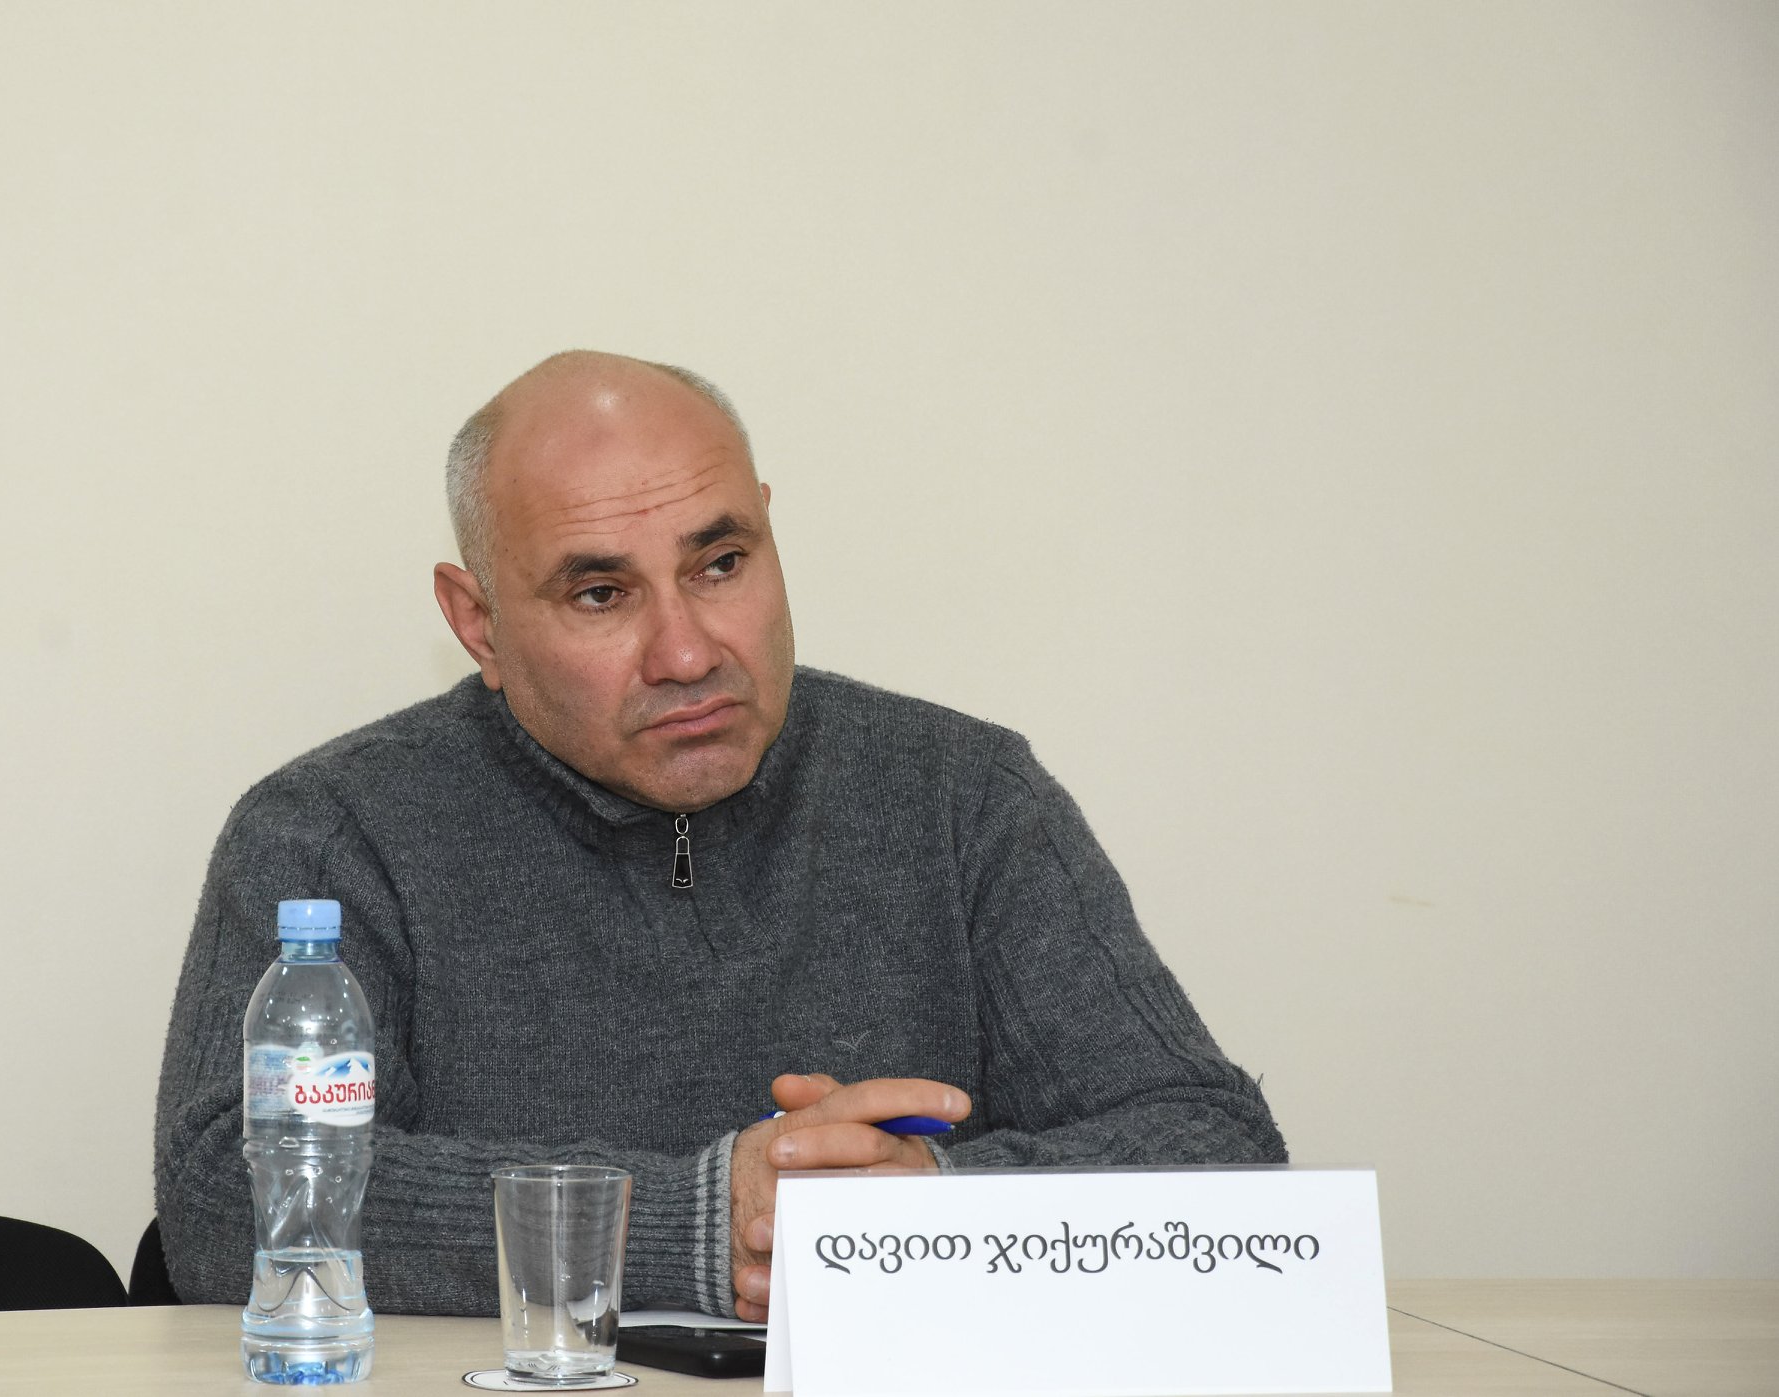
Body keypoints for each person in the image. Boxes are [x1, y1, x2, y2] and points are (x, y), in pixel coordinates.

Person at [154, 350, 1286, 1322]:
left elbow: (1218, 1144)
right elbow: (222, 1196)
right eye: (602, 594)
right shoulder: (333, 831)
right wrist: (699, 1221)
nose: (688, 652)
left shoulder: (961, 795)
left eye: (722, 563)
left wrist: (925, 1208)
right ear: (478, 622)